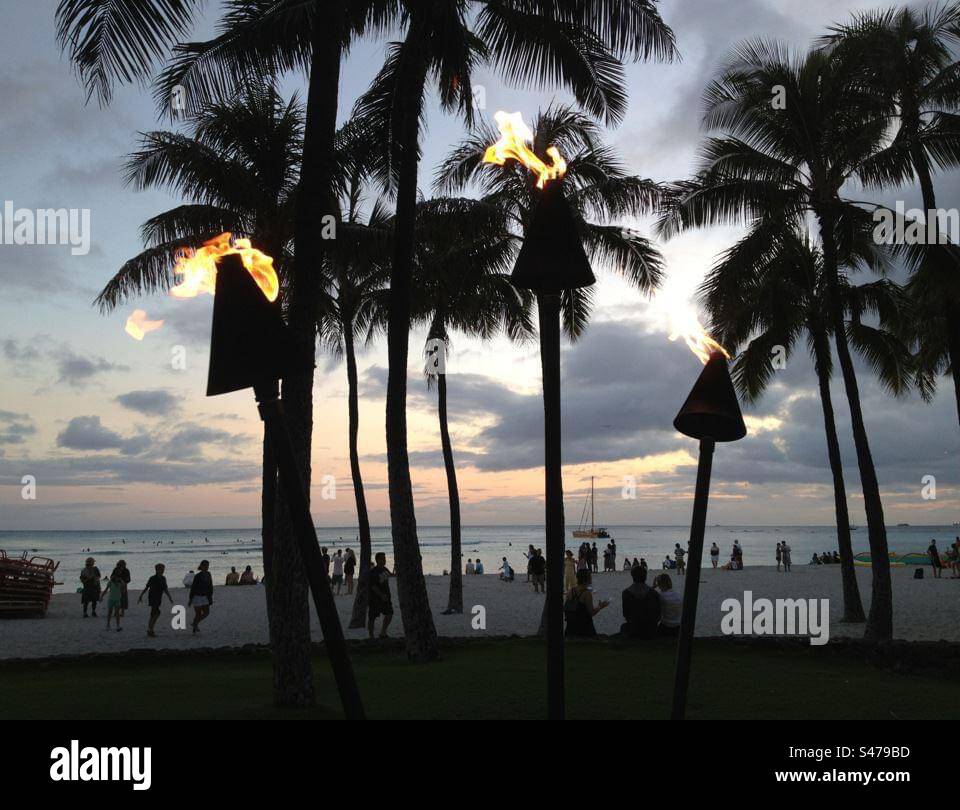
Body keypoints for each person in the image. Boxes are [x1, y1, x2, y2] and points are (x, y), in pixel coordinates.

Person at [620, 564, 661, 640]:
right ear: (645, 576)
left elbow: (625, 614)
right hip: (651, 629)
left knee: (623, 627)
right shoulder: (654, 593)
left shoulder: (626, 593)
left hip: (634, 628)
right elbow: (658, 614)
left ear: (632, 576)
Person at [564, 570, 609, 638]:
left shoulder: (571, 591)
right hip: (584, 628)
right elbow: (591, 613)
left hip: (571, 627)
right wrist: (600, 606)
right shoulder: (586, 594)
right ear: (587, 579)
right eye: (590, 576)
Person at [138, 563, 173, 637]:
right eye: (162, 569)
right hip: (152, 597)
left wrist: (169, 597)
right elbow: (147, 587)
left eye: (163, 569)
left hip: (158, 597)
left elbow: (165, 589)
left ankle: (150, 629)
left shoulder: (163, 578)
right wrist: (141, 595)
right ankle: (150, 629)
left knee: (154, 613)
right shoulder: (152, 578)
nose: (163, 570)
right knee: (156, 612)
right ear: (157, 570)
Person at [367, 552, 393, 639]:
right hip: (375, 598)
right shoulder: (374, 571)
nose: (384, 560)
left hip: (386, 596)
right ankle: (371, 636)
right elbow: (373, 586)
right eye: (382, 559)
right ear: (377, 560)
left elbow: (391, 575)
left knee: (389, 614)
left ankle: (383, 632)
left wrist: (396, 569)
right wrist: (381, 595)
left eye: (384, 558)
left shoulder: (385, 569)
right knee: (372, 617)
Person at [188, 560, 213, 633]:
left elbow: (210, 586)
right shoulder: (197, 576)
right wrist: (190, 599)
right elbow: (193, 588)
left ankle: (195, 623)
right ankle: (194, 627)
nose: (206, 567)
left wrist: (210, 596)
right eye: (205, 566)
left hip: (205, 596)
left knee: (206, 612)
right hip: (197, 596)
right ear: (201, 566)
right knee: (198, 613)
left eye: (207, 566)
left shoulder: (208, 574)